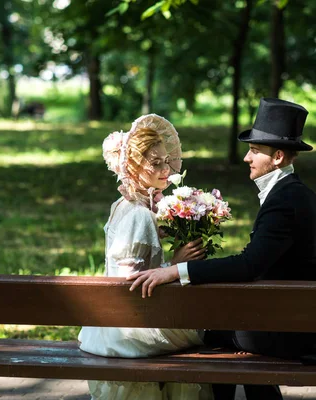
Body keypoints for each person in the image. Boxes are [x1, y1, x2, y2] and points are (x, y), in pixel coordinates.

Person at [127, 98, 316, 400]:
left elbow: (249, 265)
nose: (246, 158)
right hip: (304, 318)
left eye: (254, 150)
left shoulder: (285, 201)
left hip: (307, 333)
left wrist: (176, 270)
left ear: (278, 156)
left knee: (213, 334)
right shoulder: (291, 194)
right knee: (231, 327)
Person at [78, 114, 213, 400]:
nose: (166, 170)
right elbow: (129, 283)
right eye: (155, 163)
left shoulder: (123, 205)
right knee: (205, 335)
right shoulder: (141, 216)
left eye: (166, 161)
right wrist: (175, 265)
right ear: (134, 167)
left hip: (106, 322)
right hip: (128, 328)